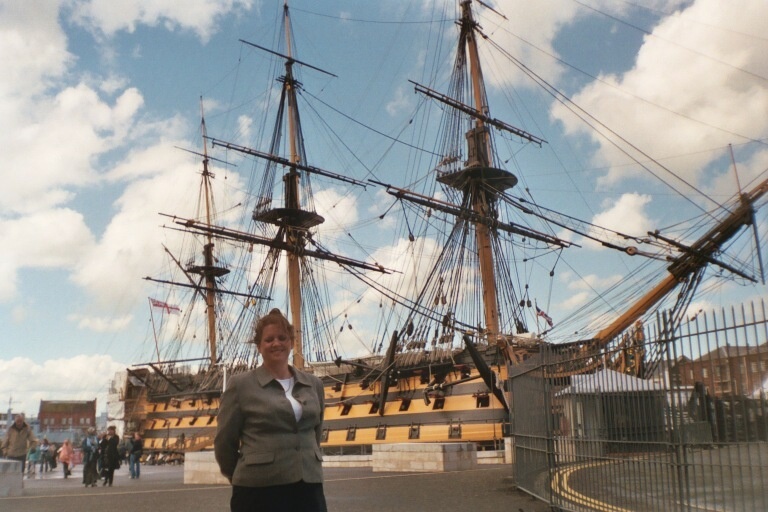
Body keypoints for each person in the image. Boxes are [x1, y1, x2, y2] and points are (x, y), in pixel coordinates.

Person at [214, 308, 327, 512]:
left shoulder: (314, 384)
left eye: (282, 338)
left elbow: (315, 433)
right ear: (259, 346)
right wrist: (238, 474)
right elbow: (224, 441)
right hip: (259, 489)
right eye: (269, 339)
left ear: (291, 343)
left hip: (308, 486)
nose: (276, 343)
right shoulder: (240, 385)